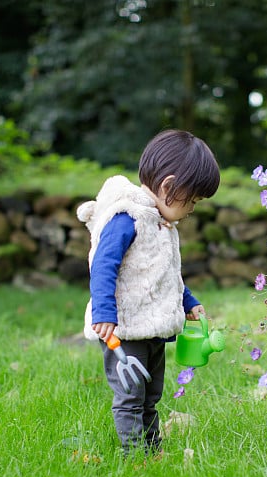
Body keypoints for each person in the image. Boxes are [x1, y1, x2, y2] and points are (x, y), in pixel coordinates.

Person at [76, 129, 220, 457]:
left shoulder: (160, 223)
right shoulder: (127, 219)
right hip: (123, 328)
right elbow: (102, 266)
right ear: (169, 187)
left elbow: (162, 274)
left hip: (152, 327)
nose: (192, 209)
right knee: (130, 396)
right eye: (193, 201)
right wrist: (104, 314)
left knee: (150, 393)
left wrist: (188, 302)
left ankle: (152, 449)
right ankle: (134, 455)